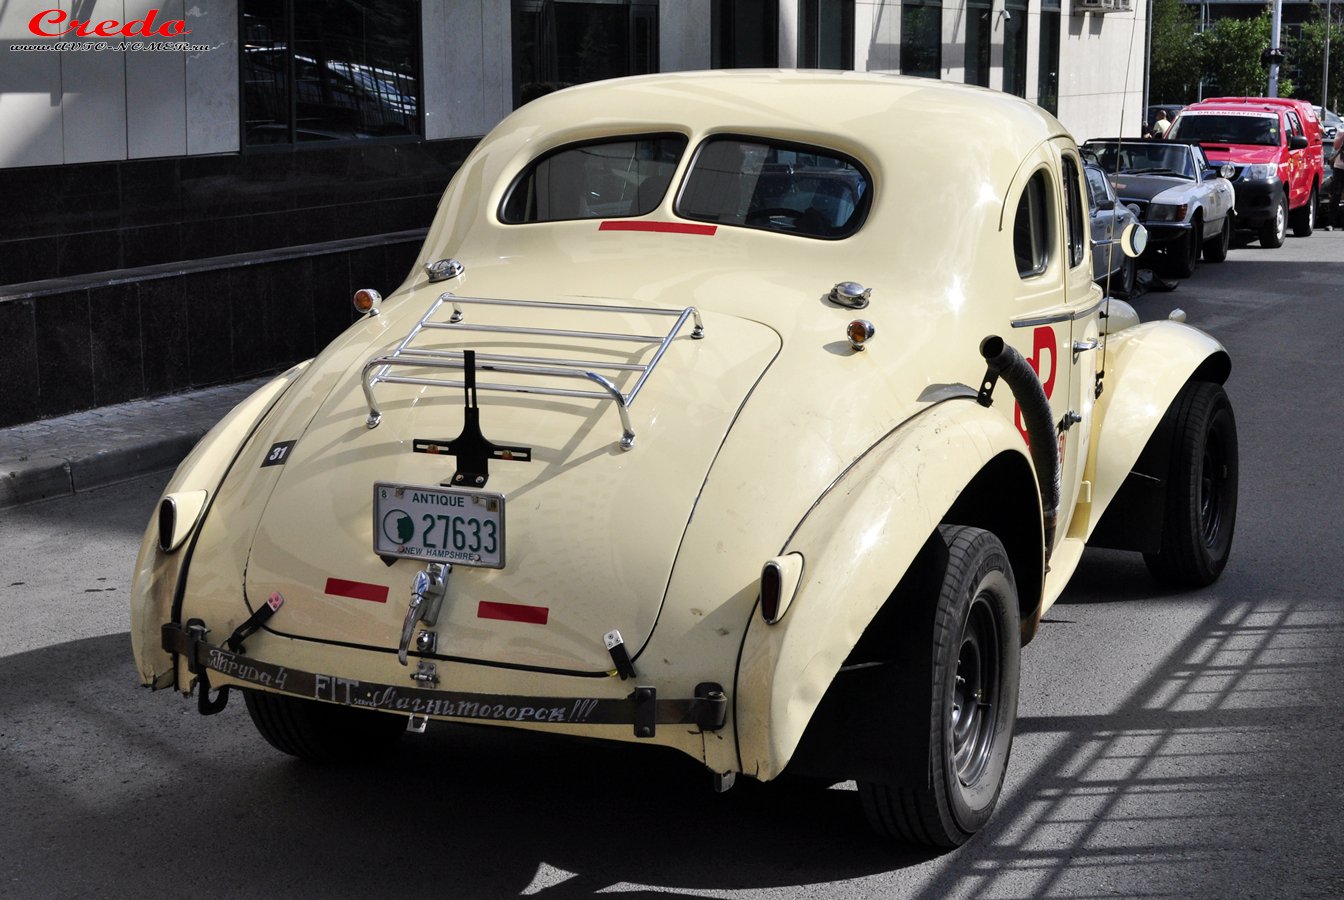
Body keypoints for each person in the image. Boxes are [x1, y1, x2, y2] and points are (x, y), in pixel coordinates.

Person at [1329, 128, 1344, 230]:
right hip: (1340, 167)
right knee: (1336, 195)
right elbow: (1336, 146)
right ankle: (1330, 223)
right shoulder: (1341, 131)